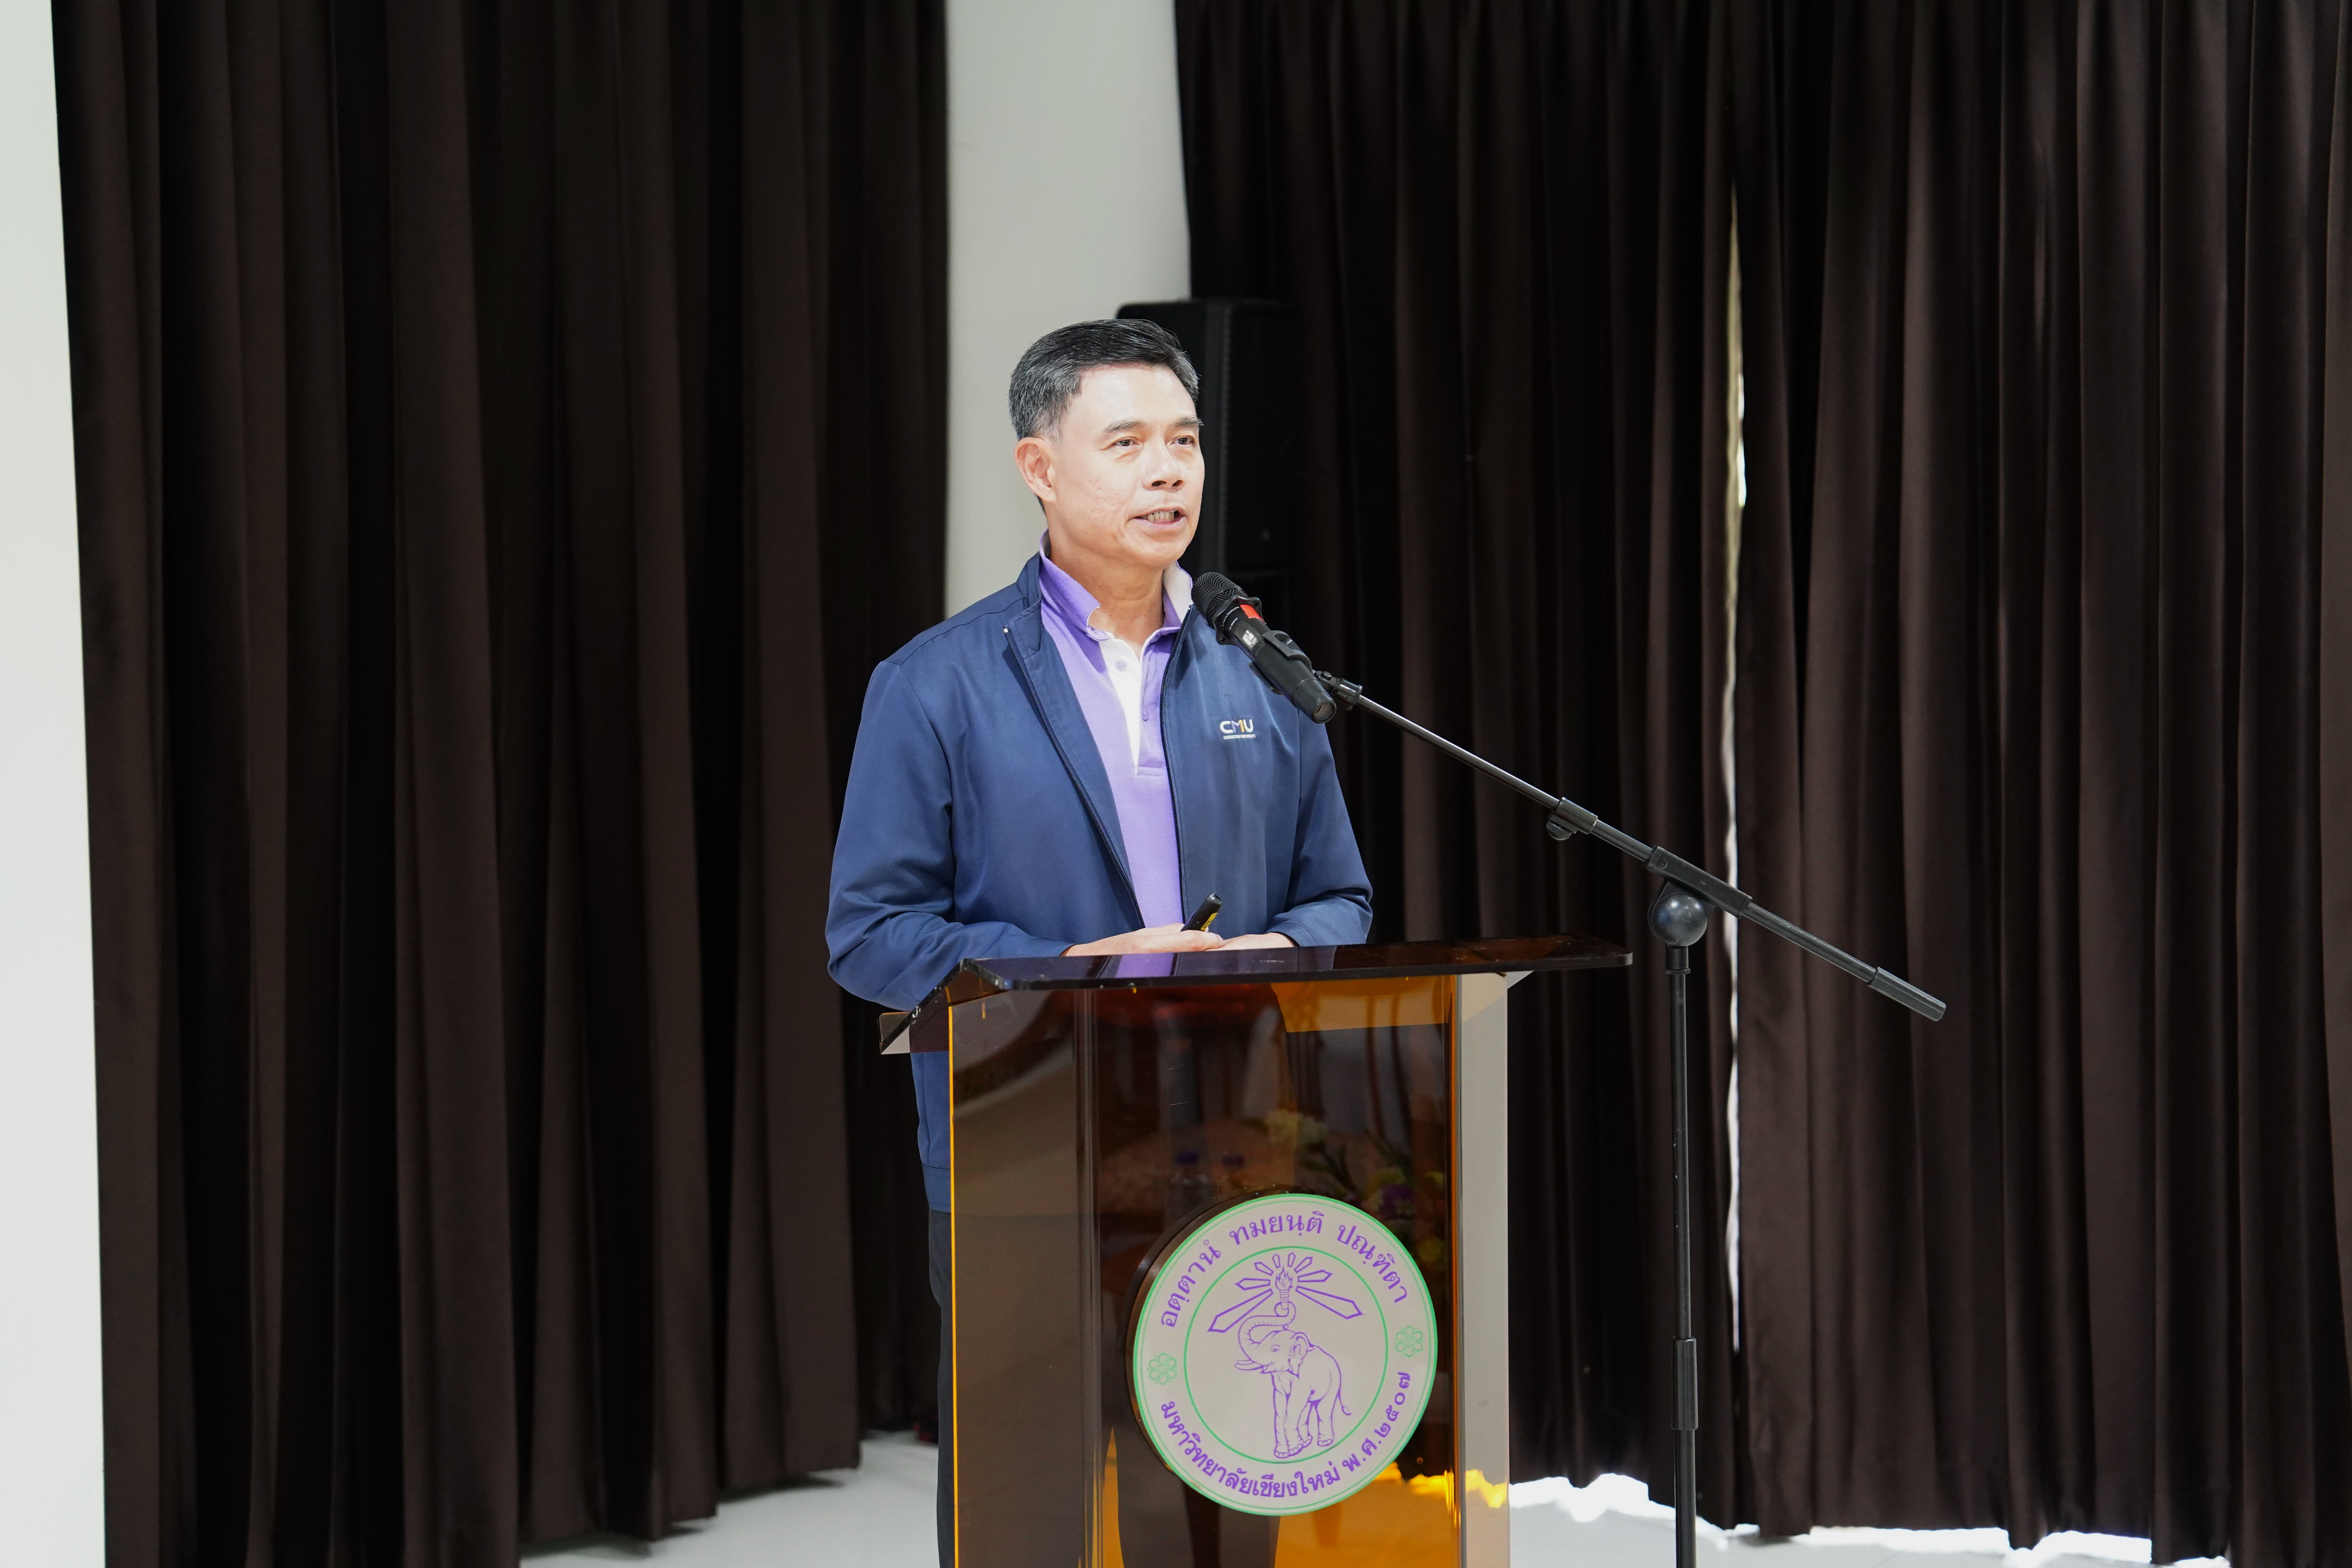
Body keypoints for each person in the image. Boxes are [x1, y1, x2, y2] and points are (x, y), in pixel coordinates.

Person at [826, 318, 1373, 1564]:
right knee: (1027, 1508)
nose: (1167, 469)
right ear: (1040, 467)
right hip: (1022, 1135)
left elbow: (1341, 900)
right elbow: (871, 932)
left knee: (1215, 1511)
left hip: (1230, 1137)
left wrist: (1271, 949)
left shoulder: (1262, 672)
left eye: (1184, 440)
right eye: (1126, 442)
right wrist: (1057, 974)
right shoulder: (935, 682)